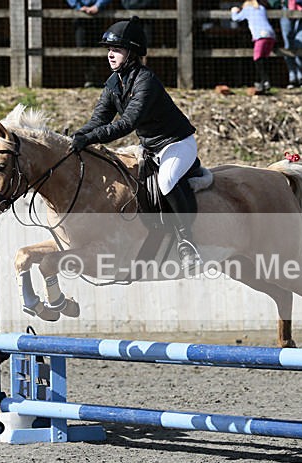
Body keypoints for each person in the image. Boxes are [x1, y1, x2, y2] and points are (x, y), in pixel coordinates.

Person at [70, 16, 202, 271]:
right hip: (151, 148)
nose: (110, 55)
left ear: (131, 53)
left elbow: (127, 123)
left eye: (116, 50)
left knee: (165, 181)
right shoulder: (113, 83)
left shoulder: (146, 80)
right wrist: (76, 137)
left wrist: (91, 138)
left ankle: (188, 242)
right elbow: (99, 119)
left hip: (177, 143)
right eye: (109, 50)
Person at [230, 0, 276, 93]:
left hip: (260, 35)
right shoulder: (261, 8)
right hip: (271, 35)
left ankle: (264, 81)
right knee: (264, 58)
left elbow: (236, 18)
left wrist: (234, 11)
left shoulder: (247, 9)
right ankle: (264, 81)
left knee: (257, 58)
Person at [66, 0, 113, 87]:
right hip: (79, 17)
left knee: (99, 47)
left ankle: (98, 79)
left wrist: (97, 6)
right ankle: (88, 79)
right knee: (82, 48)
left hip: (98, 16)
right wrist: (78, 7)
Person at [280, 0, 302, 88]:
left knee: (301, 42)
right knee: (288, 44)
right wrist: (276, 3)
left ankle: (301, 76)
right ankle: (292, 76)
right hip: (286, 7)